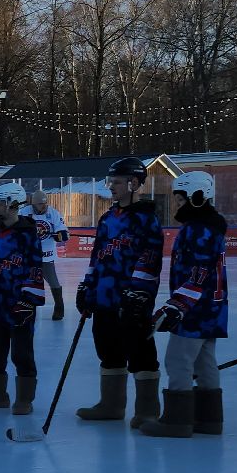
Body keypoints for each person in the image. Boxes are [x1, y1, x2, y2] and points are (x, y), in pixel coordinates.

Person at [75, 157, 163, 426]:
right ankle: (111, 405)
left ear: (134, 183)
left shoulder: (146, 219)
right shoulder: (107, 218)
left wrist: (139, 293)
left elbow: (150, 258)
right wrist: (88, 286)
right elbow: (97, 256)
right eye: (109, 181)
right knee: (107, 348)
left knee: (140, 352)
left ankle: (147, 410)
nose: (111, 186)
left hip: (132, 300)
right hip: (105, 296)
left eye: (117, 182)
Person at [140, 173, 228, 439]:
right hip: (211, 309)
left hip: (194, 310)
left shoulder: (198, 229)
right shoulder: (209, 226)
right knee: (204, 361)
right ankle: (209, 419)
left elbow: (199, 272)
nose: (177, 205)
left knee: (178, 360)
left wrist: (177, 305)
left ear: (198, 198)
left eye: (180, 200)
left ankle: (176, 421)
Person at [0, 183, 47, 412]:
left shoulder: (27, 234)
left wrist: (28, 300)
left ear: (13, 204)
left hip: (18, 303)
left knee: (21, 353)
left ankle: (24, 399)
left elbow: (35, 268)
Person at [27, 188, 69, 319]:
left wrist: (60, 235)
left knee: (53, 281)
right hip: (29, 256)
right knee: (26, 283)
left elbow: (62, 229)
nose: (44, 206)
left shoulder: (53, 213)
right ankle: (26, 308)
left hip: (47, 255)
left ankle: (59, 307)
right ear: (34, 204)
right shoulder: (24, 213)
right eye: (41, 204)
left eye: (45, 203)